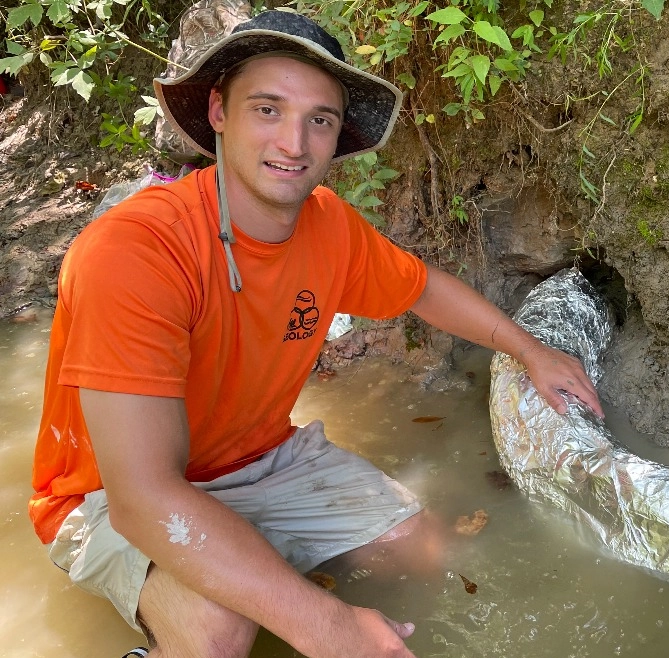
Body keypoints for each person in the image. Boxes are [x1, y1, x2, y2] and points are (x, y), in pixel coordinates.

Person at [28, 11, 602, 658]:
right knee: (219, 628)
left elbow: (424, 289)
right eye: (267, 109)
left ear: (338, 136)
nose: (294, 143)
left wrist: (530, 349)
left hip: (263, 458)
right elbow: (142, 497)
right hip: (104, 493)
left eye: (319, 119)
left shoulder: (329, 227)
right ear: (218, 111)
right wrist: (327, 626)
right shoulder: (134, 252)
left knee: (424, 551)